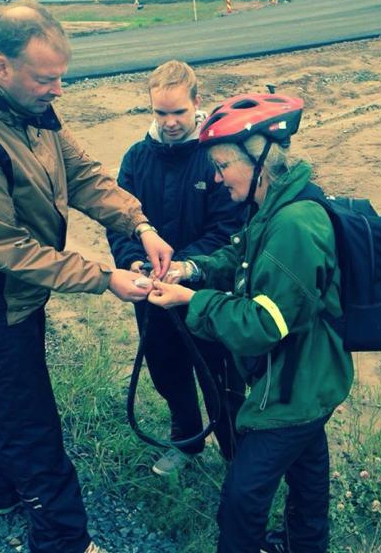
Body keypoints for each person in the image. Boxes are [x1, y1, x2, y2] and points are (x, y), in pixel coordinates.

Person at [0, 1, 173, 553]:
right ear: (0, 67)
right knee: (29, 420)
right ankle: (64, 540)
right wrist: (103, 278)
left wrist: (140, 224)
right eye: (47, 78)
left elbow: (85, 175)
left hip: (16, 294)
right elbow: (7, 247)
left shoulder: (32, 112)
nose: (59, 90)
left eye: (61, 76)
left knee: (3, 401)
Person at [147, 92, 355, 552]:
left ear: (258, 157)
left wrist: (190, 300)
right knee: (307, 470)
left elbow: (261, 323)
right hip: (308, 376)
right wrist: (191, 270)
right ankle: (306, 544)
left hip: (292, 388)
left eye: (222, 166)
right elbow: (239, 254)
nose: (217, 178)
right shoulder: (275, 207)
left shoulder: (295, 225)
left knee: (241, 499)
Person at [107, 60, 246, 475]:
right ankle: (187, 442)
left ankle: (236, 455)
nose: (169, 122)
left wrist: (185, 267)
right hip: (150, 296)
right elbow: (119, 221)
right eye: (160, 113)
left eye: (178, 113)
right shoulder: (136, 158)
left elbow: (228, 230)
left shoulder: (215, 157)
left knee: (221, 381)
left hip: (204, 292)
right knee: (167, 372)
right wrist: (132, 262)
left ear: (196, 104)